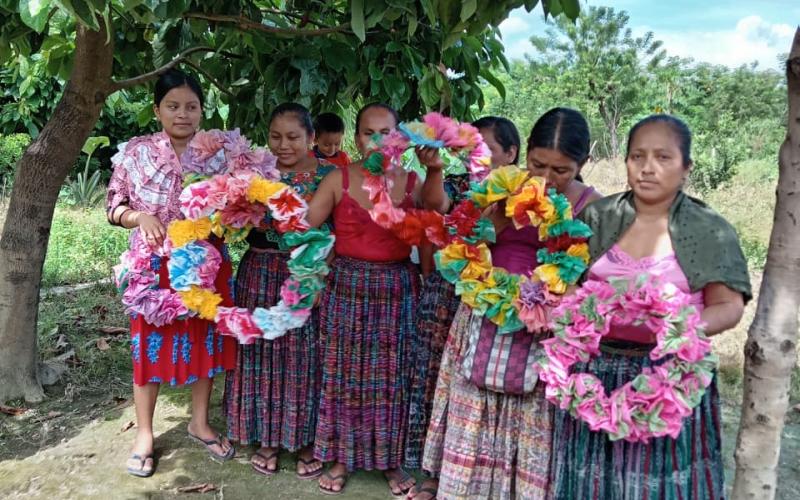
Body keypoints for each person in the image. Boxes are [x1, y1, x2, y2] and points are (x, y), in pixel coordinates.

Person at [549, 115, 751, 500]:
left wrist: (675, 326)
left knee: (659, 486)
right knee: (592, 484)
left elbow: (728, 306)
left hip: (669, 377)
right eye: (637, 156)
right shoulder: (598, 217)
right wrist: (575, 314)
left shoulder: (708, 229)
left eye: (663, 157)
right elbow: (568, 283)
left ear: (686, 167)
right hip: (597, 374)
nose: (647, 168)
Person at [420, 108, 602, 499]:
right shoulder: (501, 188)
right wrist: (502, 214)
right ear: (526, 153)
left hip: (545, 329)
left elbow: (592, 279)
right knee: (475, 407)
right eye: (538, 165)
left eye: (561, 170)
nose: (547, 178)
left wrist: (552, 299)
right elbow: (467, 242)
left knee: (532, 419)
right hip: (486, 313)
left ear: (583, 164)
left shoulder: (593, 206)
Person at [305, 102, 447, 496]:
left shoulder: (414, 180)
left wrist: (436, 170)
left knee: (392, 377)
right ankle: (340, 458)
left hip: (398, 288)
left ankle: (390, 460)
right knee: (344, 375)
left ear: (400, 138)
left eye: (387, 133)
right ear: (357, 139)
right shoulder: (338, 178)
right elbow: (305, 225)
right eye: (369, 133)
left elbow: (438, 211)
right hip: (347, 286)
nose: (378, 141)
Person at [106, 69, 236, 478]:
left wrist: (229, 217)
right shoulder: (136, 153)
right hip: (153, 266)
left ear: (202, 110)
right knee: (148, 346)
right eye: (173, 106)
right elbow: (113, 206)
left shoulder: (220, 154)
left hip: (205, 262)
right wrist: (139, 217)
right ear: (157, 110)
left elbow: (237, 205)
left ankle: (199, 422)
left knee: (204, 341)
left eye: (191, 106)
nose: (183, 114)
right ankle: (145, 434)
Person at [406, 116, 521, 499]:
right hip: (446, 296)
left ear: (511, 153)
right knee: (436, 381)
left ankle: (477, 478)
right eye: (470, 147)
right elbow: (435, 204)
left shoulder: (526, 194)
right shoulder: (458, 185)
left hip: (493, 303)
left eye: (486, 148)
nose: (477, 155)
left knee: (478, 391)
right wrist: (435, 169)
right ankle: (432, 473)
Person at [223, 103, 334, 480]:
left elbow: (339, 231)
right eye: (275, 137)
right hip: (258, 271)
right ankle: (266, 438)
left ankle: (304, 441)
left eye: (293, 137)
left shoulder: (330, 175)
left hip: (307, 273)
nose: (283, 145)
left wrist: (318, 276)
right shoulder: (253, 172)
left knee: (305, 357)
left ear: (311, 138)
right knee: (260, 353)